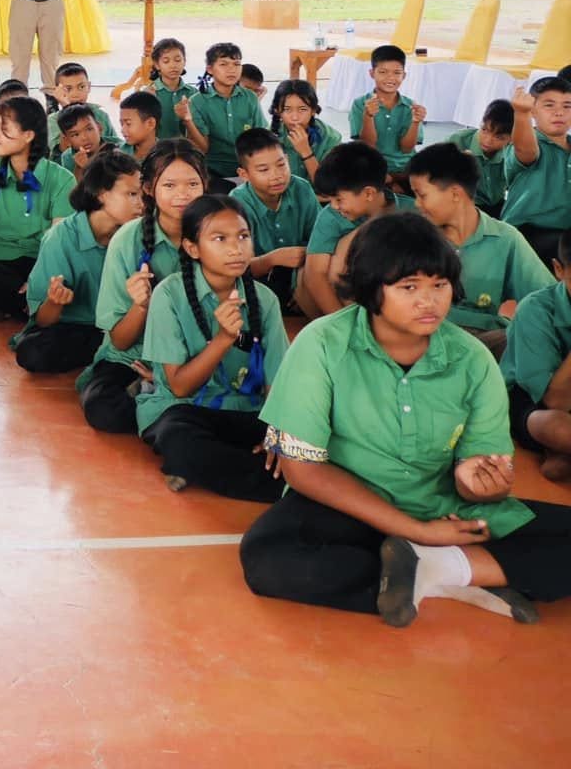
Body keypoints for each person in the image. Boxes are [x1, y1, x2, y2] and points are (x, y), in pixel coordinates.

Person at [240, 211, 571, 624]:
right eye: (409, 286)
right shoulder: (322, 343)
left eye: (440, 285)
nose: (428, 301)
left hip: (442, 506)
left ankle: (433, 570)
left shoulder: (472, 359)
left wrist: (480, 485)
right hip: (347, 505)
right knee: (267, 555)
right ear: (370, 288)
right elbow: (302, 470)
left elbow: (479, 466)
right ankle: (461, 573)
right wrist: (416, 532)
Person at [136, 196, 287, 502]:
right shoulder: (169, 295)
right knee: (178, 436)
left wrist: (277, 435)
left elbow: (277, 383)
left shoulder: (264, 300)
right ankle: (289, 485)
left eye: (243, 236)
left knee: (315, 438)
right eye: (220, 239)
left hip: (247, 411)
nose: (236, 249)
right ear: (192, 248)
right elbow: (180, 387)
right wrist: (222, 340)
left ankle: (215, 468)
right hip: (187, 409)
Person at [84, 140, 209, 434]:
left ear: (205, 184)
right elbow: (120, 341)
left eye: (192, 184)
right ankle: (167, 407)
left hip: (196, 360)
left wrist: (168, 375)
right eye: (170, 185)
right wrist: (141, 306)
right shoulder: (127, 240)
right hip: (133, 358)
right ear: (149, 188)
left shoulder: (218, 234)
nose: (182, 194)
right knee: (104, 409)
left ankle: (162, 400)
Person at [406, 141, 552, 354]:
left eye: (422, 195)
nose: (417, 204)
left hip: (484, 341)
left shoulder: (505, 238)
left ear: (455, 194)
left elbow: (547, 299)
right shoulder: (413, 236)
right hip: (425, 334)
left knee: (525, 339)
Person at [14, 150, 142, 375]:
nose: (141, 204)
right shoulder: (61, 238)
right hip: (79, 328)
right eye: (131, 194)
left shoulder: (139, 235)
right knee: (32, 351)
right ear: (101, 194)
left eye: (143, 194)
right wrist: (55, 301)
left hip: (126, 327)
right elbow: (43, 321)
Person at [0, 96, 74, 321]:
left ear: (28, 135)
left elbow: (58, 243)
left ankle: (24, 303)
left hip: (44, 262)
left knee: (69, 280)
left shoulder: (62, 180)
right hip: (1, 263)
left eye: (3, 129)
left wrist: (37, 279)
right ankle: (36, 306)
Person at [303, 142, 410, 318]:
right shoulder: (331, 217)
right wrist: (343, 323)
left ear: (368, 193)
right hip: (346, 302)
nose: (334, 206)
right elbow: (315, 274)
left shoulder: (412, 211)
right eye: (330, 200)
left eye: (339, 199)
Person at [500, 238, 571, 480]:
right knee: (556, 427)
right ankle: (558, 449)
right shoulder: (535, 309)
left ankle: (561, 455)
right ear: (559, 269)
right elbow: (554, 401)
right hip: (535, 400)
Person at [230, 128, 319, 304]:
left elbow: (320, 240)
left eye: (281, 165)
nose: (277, 176)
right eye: (264, 170)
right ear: (244, 175)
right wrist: (272, 259)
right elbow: (238, 268)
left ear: (287, 160)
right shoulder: (236, 204)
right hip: (258, 281)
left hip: (304, 271)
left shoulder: (302, 189)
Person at [178, 41, 265, 191]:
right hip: (213, 172)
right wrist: (187, 120)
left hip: (248, 168)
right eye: (224, 64)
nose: (231, 69)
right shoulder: (197, 102)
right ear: (210, 69)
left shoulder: (250, 98)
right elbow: (203, 148)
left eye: (236, 64)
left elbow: (260, 136)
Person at [505, 77, 571, 264]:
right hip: (527, 235)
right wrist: (521, 114)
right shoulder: (529, 142)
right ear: (533, 110)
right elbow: (525, 150)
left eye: (567, 106)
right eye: (549, 105)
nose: (559, 112)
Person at [352, 44, 425, 176]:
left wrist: (415, 122)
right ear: (372, 73)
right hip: (372, 168)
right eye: (383, 72)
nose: (390, 78)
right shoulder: (360, 104)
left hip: (405, 168)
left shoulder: (411, 106)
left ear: (404, 75)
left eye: (397, 73)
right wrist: (368, 116)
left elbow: (407, 149)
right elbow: (368, 145)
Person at [449, 99, 514, 217]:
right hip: (462, 205)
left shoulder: (514, 151)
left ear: (511, 138)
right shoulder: (458, 141)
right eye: (484, 130)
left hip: (496, 206)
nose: (488, 140)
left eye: (499, 137)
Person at [270, 79, 339, 186]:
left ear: (313, 110)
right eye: (287, 109)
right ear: (277, 111)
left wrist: (305, 151)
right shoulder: (267, 137)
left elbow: (328, 187)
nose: (295, 117)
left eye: (302, 109)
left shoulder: (331, 138)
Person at [148, 38, 195, 132]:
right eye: (166, 61)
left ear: (184, 62)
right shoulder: (148, 93)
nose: (173, 65)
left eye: (178, 60)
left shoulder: (193, 93)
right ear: (157, 65)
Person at [117, 90, 162, 161]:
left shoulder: (166, 157)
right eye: (122, 124)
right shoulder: (117, 154)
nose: (122, 130)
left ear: (150, 123)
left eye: (128, 124)